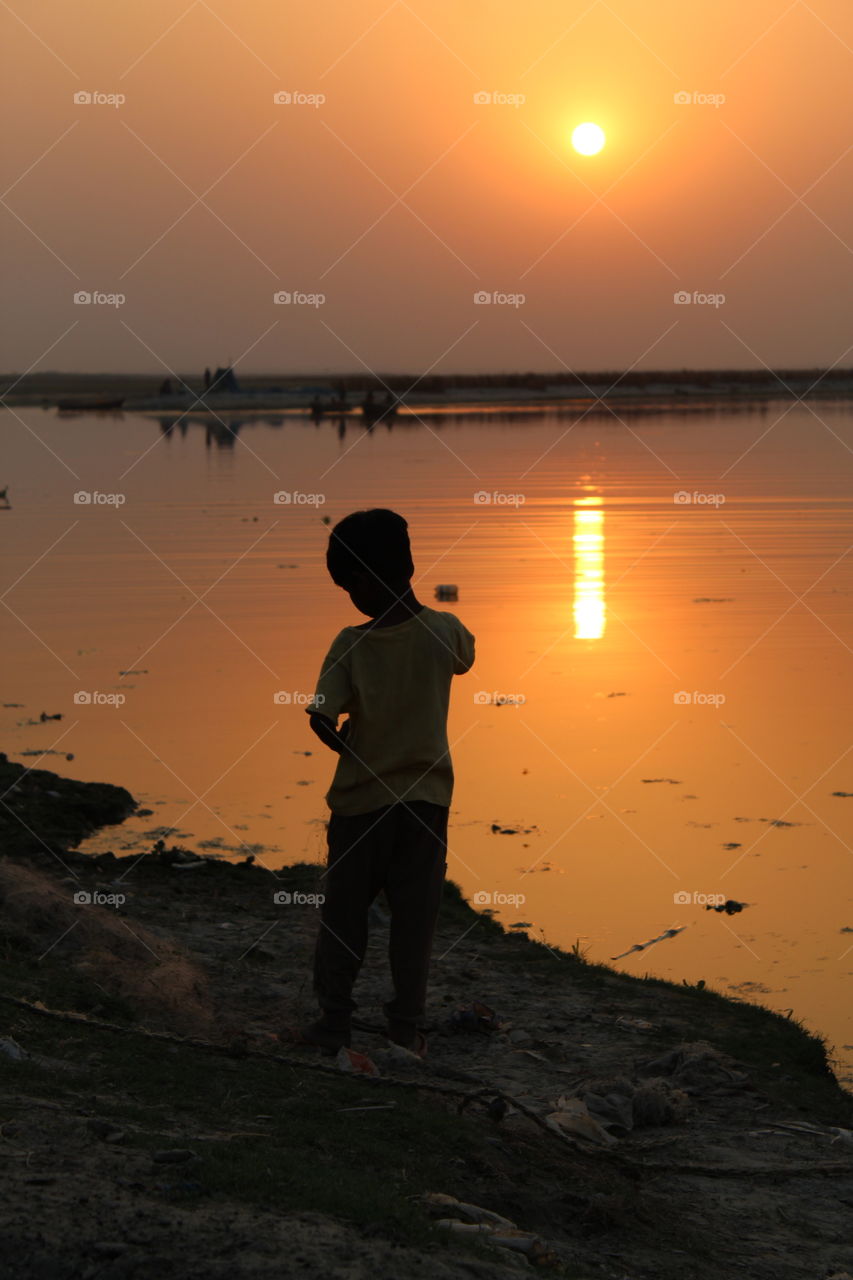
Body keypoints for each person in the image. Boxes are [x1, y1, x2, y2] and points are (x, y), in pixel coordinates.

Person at [299, 508, 474, 1055]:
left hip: (361, 805)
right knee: (414, 919)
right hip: (426, 802)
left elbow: (321, 717)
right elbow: (466, 657)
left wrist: (341, 737)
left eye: (350, 585)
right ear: (408, 567)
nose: (350, 596)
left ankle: (334, 1022)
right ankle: (405, 1026)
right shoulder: (445, 632)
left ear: (364, 581)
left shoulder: (349, 644)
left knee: (344, 915)